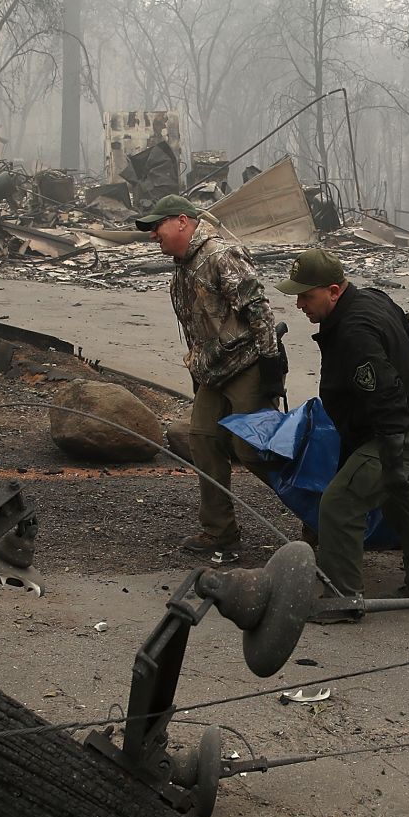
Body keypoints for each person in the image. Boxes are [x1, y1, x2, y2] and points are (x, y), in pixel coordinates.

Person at [277, 248, 409, 618]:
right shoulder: (372, 298)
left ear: (333, 291)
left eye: (306, 295)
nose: (300, 304)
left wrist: (393, 455)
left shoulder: (354, 330)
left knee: (339, 505)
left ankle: (343, 598)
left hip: (400, 432)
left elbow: (383, 392)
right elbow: (406, 328)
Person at [135, 194, 288, 564]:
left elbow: (259, 311)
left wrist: (269, 365)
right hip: (212, 370)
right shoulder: (184, 264)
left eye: (158, 226)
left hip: (248, 364)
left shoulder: (221, 255)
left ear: (183, 221)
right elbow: (198, 324)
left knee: (256, 450)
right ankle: (221, 531)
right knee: (203, 440)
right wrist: (198, 371)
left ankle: (319, 516)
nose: (153, 234)